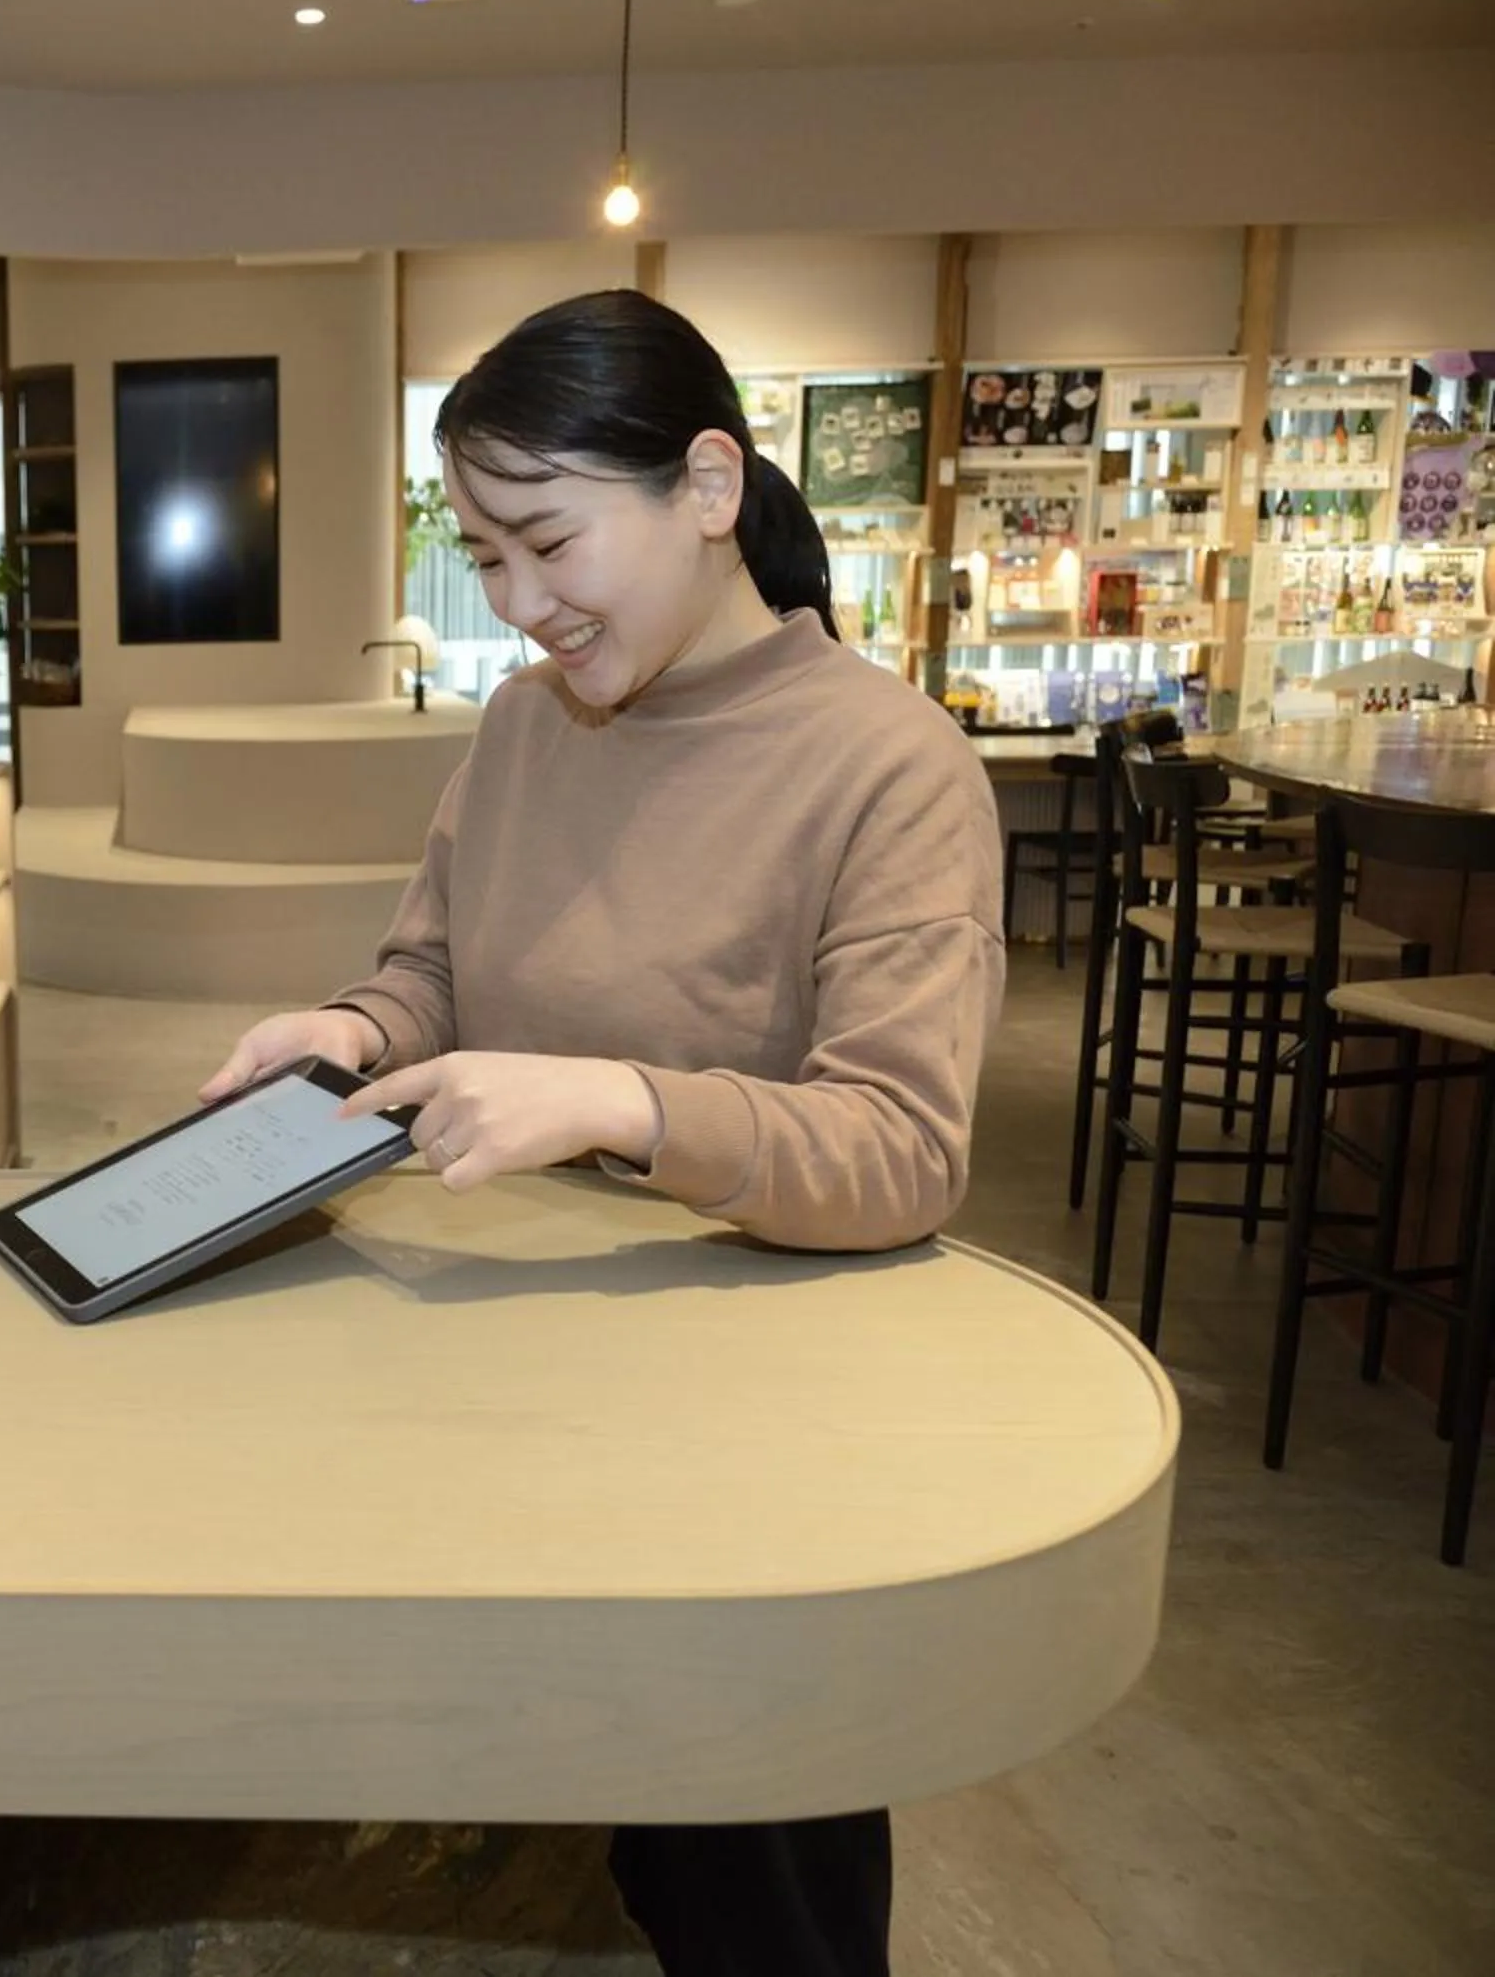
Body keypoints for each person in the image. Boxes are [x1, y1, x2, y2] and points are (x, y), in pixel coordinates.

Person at [192, 289, 1004, 1974]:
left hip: (749, 1472)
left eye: (546, 541)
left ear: (710, 487)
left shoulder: (892, 768)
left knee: (742, 1897)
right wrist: (351, 1032)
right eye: (483, 557)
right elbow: (434, 963)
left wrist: (618, 1102)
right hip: (499, 1395)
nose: (517, 605)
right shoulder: (518, 730)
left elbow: (900, 1146)